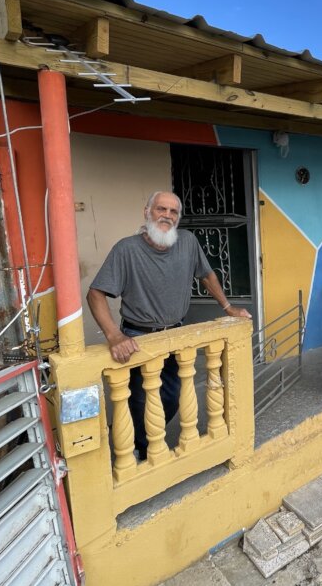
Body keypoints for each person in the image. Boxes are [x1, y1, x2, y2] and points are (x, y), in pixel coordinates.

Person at [87, 191, 251, 459]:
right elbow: (95, 293)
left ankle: (143, 437)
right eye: (161, 209)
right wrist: (114, 335)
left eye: (173, 211)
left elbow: (206, 275)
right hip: (139, 337)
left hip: (176, 335)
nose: (167, 215)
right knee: (140, 400)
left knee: (173, 397)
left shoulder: (187, 242)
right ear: (147, 212)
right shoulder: (126, 249)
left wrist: (228, 307)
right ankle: (140, 450)